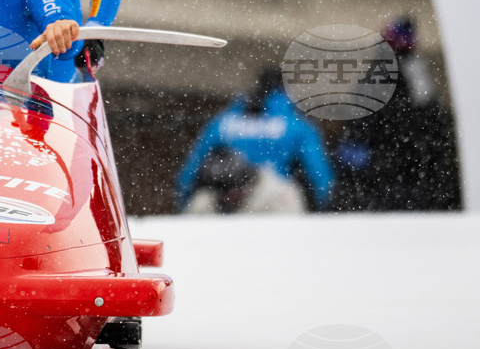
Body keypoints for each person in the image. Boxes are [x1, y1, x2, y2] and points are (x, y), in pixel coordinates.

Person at [332, 16, 461, 211]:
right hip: (408, 180)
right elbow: (434, 128)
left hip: (391, 181)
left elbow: (356, 135)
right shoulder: (415, 76)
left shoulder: (394, 75)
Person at [175, 68, 335, 214]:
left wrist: (183, 200)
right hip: (274, 197)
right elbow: (319, 175)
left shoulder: (224, 121)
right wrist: (324, 205)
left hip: (225, 198)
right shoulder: (295, 124)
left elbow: (191, 171)